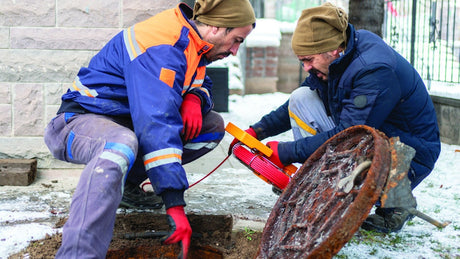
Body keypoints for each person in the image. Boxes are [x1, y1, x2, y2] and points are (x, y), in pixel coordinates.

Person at [44, 0, 256, 258]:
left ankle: (130, 187)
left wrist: (195, 97)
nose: (235, 51)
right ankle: (78, 254)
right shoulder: (162, 46)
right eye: (237, 40)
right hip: (78, 122)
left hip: (127, 123)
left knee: (211, 127)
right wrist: (174, 203)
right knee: (120, 145)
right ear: (216, 28)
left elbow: (201, 81)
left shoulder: (193, 44)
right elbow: (156, 122)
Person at [229, 2, 440, 233]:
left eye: (309, 60)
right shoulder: (338, 57)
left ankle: (397, 203)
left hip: (408, 155)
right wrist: (258, 130)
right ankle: (321, 185)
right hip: (375, 135)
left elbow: (350, 134)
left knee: (354, 144)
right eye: (302, 61)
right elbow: (300, 102)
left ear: (333, 50)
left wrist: (287, 152)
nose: (306, 67)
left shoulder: (373, 70)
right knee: (301, 97)